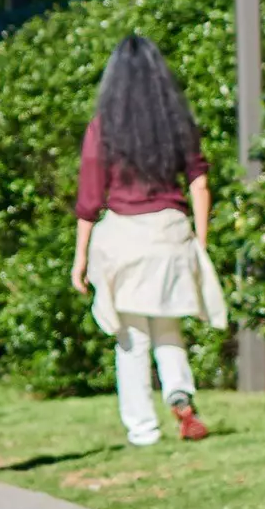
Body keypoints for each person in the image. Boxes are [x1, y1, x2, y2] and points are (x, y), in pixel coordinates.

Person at [71, 35, 224, 445]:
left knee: (131, 337)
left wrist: (80, 257)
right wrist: (199, 241)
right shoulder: (177, 122)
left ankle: (143, 429)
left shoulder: (103, 127)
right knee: (168, 325)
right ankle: (180, 391)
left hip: (124, 238)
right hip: (169, 233)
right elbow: (199, 182)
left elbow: (89, 199)